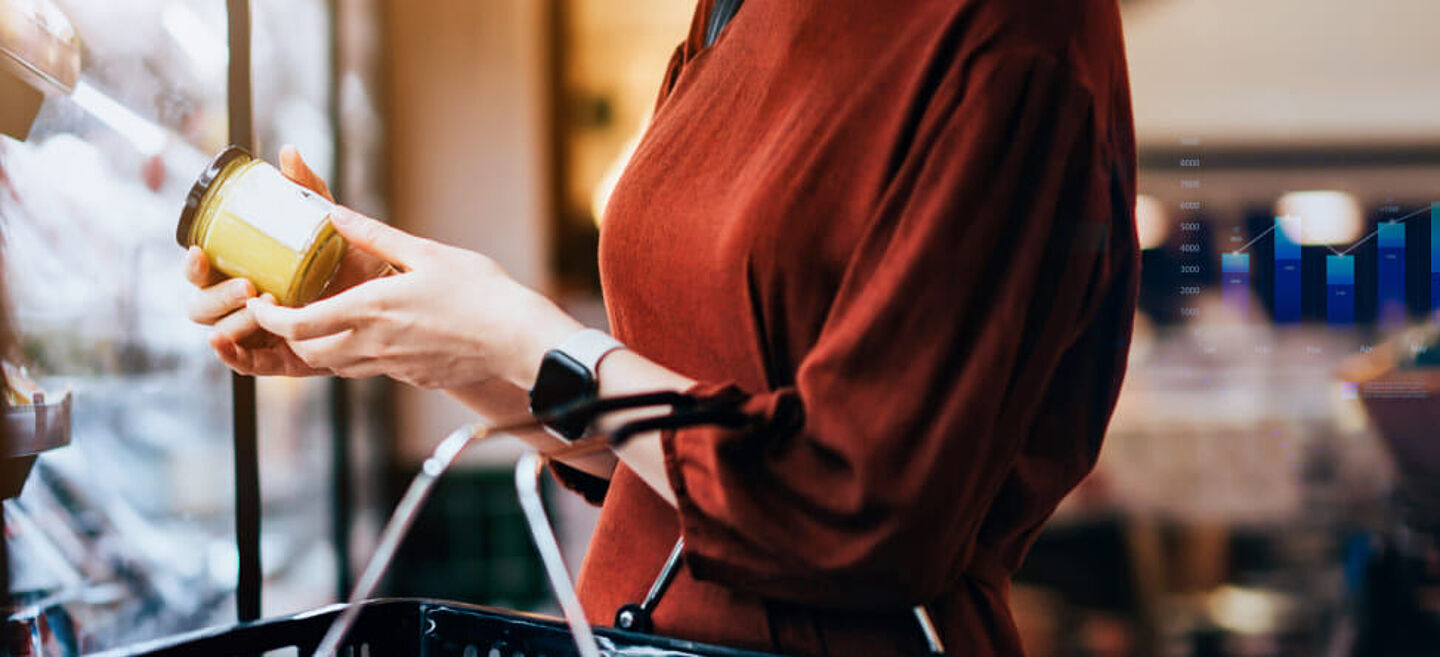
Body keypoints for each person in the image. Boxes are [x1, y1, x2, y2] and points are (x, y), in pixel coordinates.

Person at [185, 0, 1138, 654]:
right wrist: (399, 319)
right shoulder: (732, 10)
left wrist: (518, 333)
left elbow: (860, 505)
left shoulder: (1011, 33)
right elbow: (683, 456)